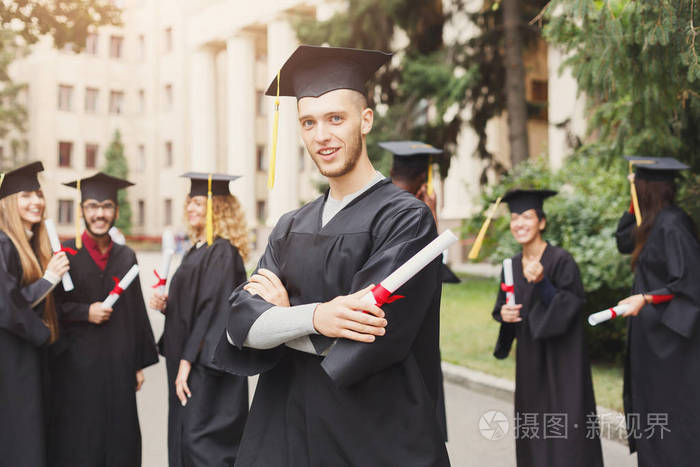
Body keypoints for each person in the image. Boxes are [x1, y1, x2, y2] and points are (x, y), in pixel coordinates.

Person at [210, 45, 450, 466]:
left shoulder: (406, 220)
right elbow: (239, 325)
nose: (322, 135)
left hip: (373, 437)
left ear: (366, 120)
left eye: (336, 118)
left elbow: (366, 336)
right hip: (288, 434)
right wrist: (316, 317)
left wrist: (279, 322)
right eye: (309, 122)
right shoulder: (289, 225)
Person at [48, 172, 159, 467]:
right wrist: (85, 312)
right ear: (82, 210)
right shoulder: (64, 254)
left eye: (107, 206)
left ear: (116, 211)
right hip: (76, 366)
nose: (100, 213)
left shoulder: (126, 256)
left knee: (119, 436)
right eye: (92, 206)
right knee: (80, 436)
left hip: (118, 365)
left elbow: (135, 310)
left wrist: (137, 363)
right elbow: (50, 308)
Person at [491, 189, 603, 467]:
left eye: (526, 217)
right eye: (514, 218)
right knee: (534, 428)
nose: (519, 223)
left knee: (568, 431)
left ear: (541, 222)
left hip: (563, 360)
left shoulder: (561, 261)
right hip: (530, 361)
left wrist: (542, 282)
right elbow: (503, 306)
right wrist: (503, 314)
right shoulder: (511, 266)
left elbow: (569, 308)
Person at [149, 173, 249, 466]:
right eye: (189, 202)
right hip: (191, 360)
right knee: (184, 438)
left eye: (198, 203)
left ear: (217, 208)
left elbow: (213, 309)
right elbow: (194, 305)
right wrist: (169, 305)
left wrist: (186, 362)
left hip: (205, 366)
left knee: (200, 443)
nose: (190, 208)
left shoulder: (223, 252)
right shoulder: (197, 249)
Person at [614, 156, 700, 467]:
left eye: (637, 187)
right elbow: (623, 240)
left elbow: (689, 282)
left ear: (647, 189)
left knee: (672, 415)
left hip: (671, 345)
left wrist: (646, 299)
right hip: (652, 343)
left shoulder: (673, 224)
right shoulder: (652, 223)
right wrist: (632, 202)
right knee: (651, 410)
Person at [0, 161, 69, 467]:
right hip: (11, 361)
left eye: (39, 195)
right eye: (26, 195)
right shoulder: (3, 243)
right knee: (20, 440)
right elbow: (6, 305)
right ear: (9, 202)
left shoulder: (32, 243)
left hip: (29, 360)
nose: (36, 202)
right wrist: (48, 280)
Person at [381, 140, 460, 284]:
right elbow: (432, 259)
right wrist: (431, 212)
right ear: (424, 177)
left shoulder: (375, 200)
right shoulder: (418, 212)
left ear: (392, 171)